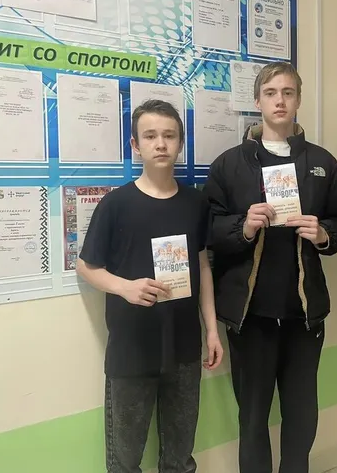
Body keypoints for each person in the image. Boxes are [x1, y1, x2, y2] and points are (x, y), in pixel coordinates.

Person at [203, 61, 337, 473]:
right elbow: (209, 230)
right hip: (250, 316)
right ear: (257, 101)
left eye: (287, 92)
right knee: (252, 418)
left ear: (299, 99)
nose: (279, 101)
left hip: (304, 314)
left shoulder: (322, 162)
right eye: (270, 93)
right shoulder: (229, 164)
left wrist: (323, 234)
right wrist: (244, 227)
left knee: (302, 414)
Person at [76, 99, 224, 473]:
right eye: (151, 136)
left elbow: (202, 266)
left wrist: (211, 330)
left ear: (180, 143)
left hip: (184, 347)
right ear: (136, 145)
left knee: (179, 458)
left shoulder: (195, 203)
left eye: (169, 136)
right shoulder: (116, 204)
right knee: (125, 461)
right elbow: (86, 266)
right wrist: (124, 288)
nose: (160, 144)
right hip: (132, 349)